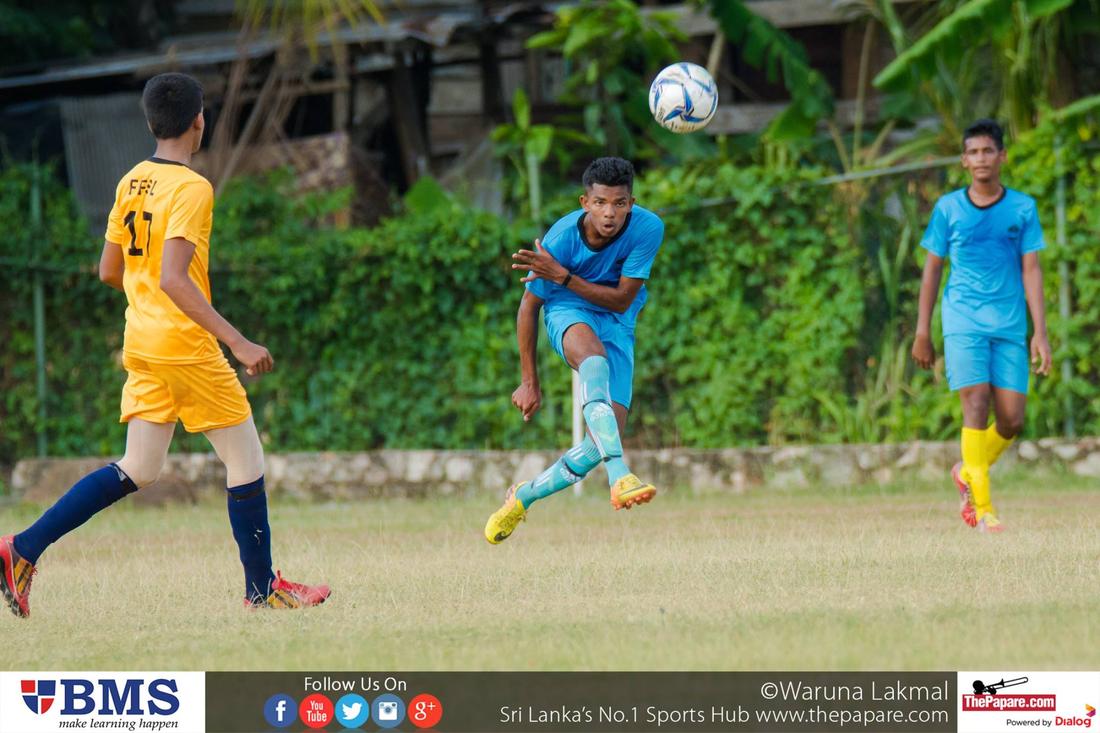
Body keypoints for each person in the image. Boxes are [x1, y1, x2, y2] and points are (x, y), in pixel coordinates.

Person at [0, 72, 329, 617]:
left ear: (152, 122)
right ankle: (261, 589)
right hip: (184, 343)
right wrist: (238, 341)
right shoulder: (193, 187)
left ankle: (22, 548)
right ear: (200, 122)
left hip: (144, 341)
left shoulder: (132, 179)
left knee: (140, 466)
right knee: (246, 457)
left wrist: (148, 288)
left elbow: (109, 269)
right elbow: (176, 279)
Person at [485, 157, 664, 544]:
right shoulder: (561, 238)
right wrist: (528, 381)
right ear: (585, 202)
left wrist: (564, 276)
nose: (609, 213)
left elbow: (620, 300)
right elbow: (529, 306)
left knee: (600, 441)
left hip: (617, 320)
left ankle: (523, 497)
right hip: (569, 310)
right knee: (593, 362)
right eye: (600, 202)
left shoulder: (649, 228)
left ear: (631, 203)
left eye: (619, 203)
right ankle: (620, 476)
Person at [912, 118, 1052, 533]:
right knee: (974, 402)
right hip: (962, 321)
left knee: (1011, 420)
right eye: (973, 152)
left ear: (1002, 156)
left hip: (1009, 326)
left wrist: (1039, 332)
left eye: (988, 151)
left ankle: (967, 470)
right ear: (963, 161)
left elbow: (1031, 270)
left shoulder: (1022, 208)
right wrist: (923, 331)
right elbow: (932, 270)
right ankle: (983, 509)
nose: (981, 159)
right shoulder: (948, 209)